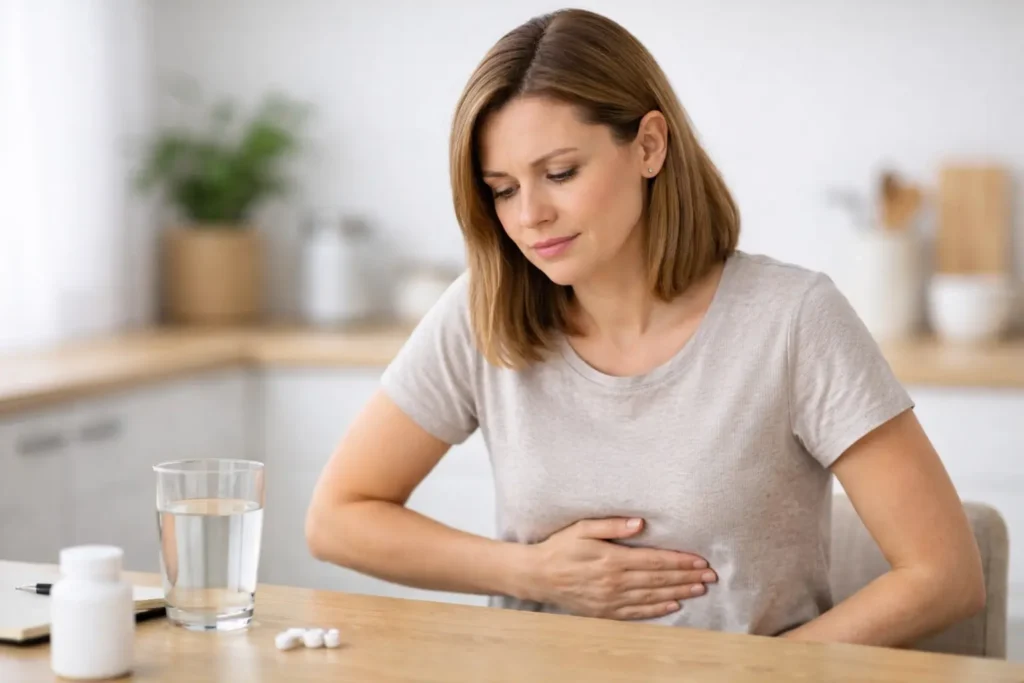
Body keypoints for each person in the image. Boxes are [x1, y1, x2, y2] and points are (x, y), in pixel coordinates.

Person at [305, 8, 985, 646]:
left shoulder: (791, 319)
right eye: (504, 189)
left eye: (560, 172)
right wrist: (529, 571)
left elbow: (945, 574)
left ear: (650, 146)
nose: (530, 214)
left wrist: (761, 675)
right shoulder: (481, 312)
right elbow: (338, 516)